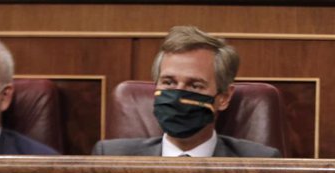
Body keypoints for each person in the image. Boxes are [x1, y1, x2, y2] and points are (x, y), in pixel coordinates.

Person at [92, 26, 280, 158]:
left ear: (223, 98)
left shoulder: (259, 162)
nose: (177, 95)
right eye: (168, 82)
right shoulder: (111, 156)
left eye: (195, 86)